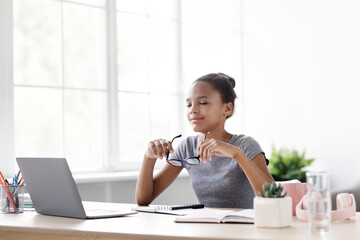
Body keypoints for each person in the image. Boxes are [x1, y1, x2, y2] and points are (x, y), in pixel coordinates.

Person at [136, 73, 274, 208]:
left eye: (202, 102)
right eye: (189, 105)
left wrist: (237, 154)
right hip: (204, 229)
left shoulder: (245, 145)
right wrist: (149, 157)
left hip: (243, 229)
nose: (193, 110)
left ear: (227, 108)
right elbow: (143, 199)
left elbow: (273, 197)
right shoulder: (188, 147)